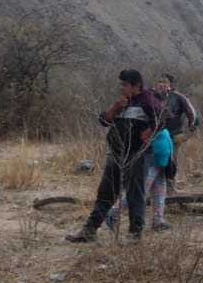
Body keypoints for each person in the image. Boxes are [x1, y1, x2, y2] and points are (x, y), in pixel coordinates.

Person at [66, 69, 172, 243]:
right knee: (105, 192)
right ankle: (89, 230)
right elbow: (104, 120)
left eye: (125, 85)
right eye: (120, 84)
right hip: (116, 154)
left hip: (137, 154)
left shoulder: (147, 99)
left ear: (136, 86)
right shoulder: (122, 102)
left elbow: (166, 116)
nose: (121, 88)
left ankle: (134, 235)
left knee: (135, 194)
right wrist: (115, 108)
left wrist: (150, 131)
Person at [106, 115, 174, 232]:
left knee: (160, 191)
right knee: (140, 191)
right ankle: (112, 213)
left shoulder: (159, 115)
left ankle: (157, 221)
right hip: (152, 160)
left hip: (161, 162)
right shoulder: (148, 118)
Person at [155, 73, 198, 191]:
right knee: (155, 164)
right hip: (156, 137)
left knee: (170, 163)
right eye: (159, 82)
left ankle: (170, 193)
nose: (161, 84)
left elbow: (193, 116)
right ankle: (156, 191)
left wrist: (186, 135)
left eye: (164, 82)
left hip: (173, 137)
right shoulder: (155, 98)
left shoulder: (178, 97)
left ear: (171, 84)